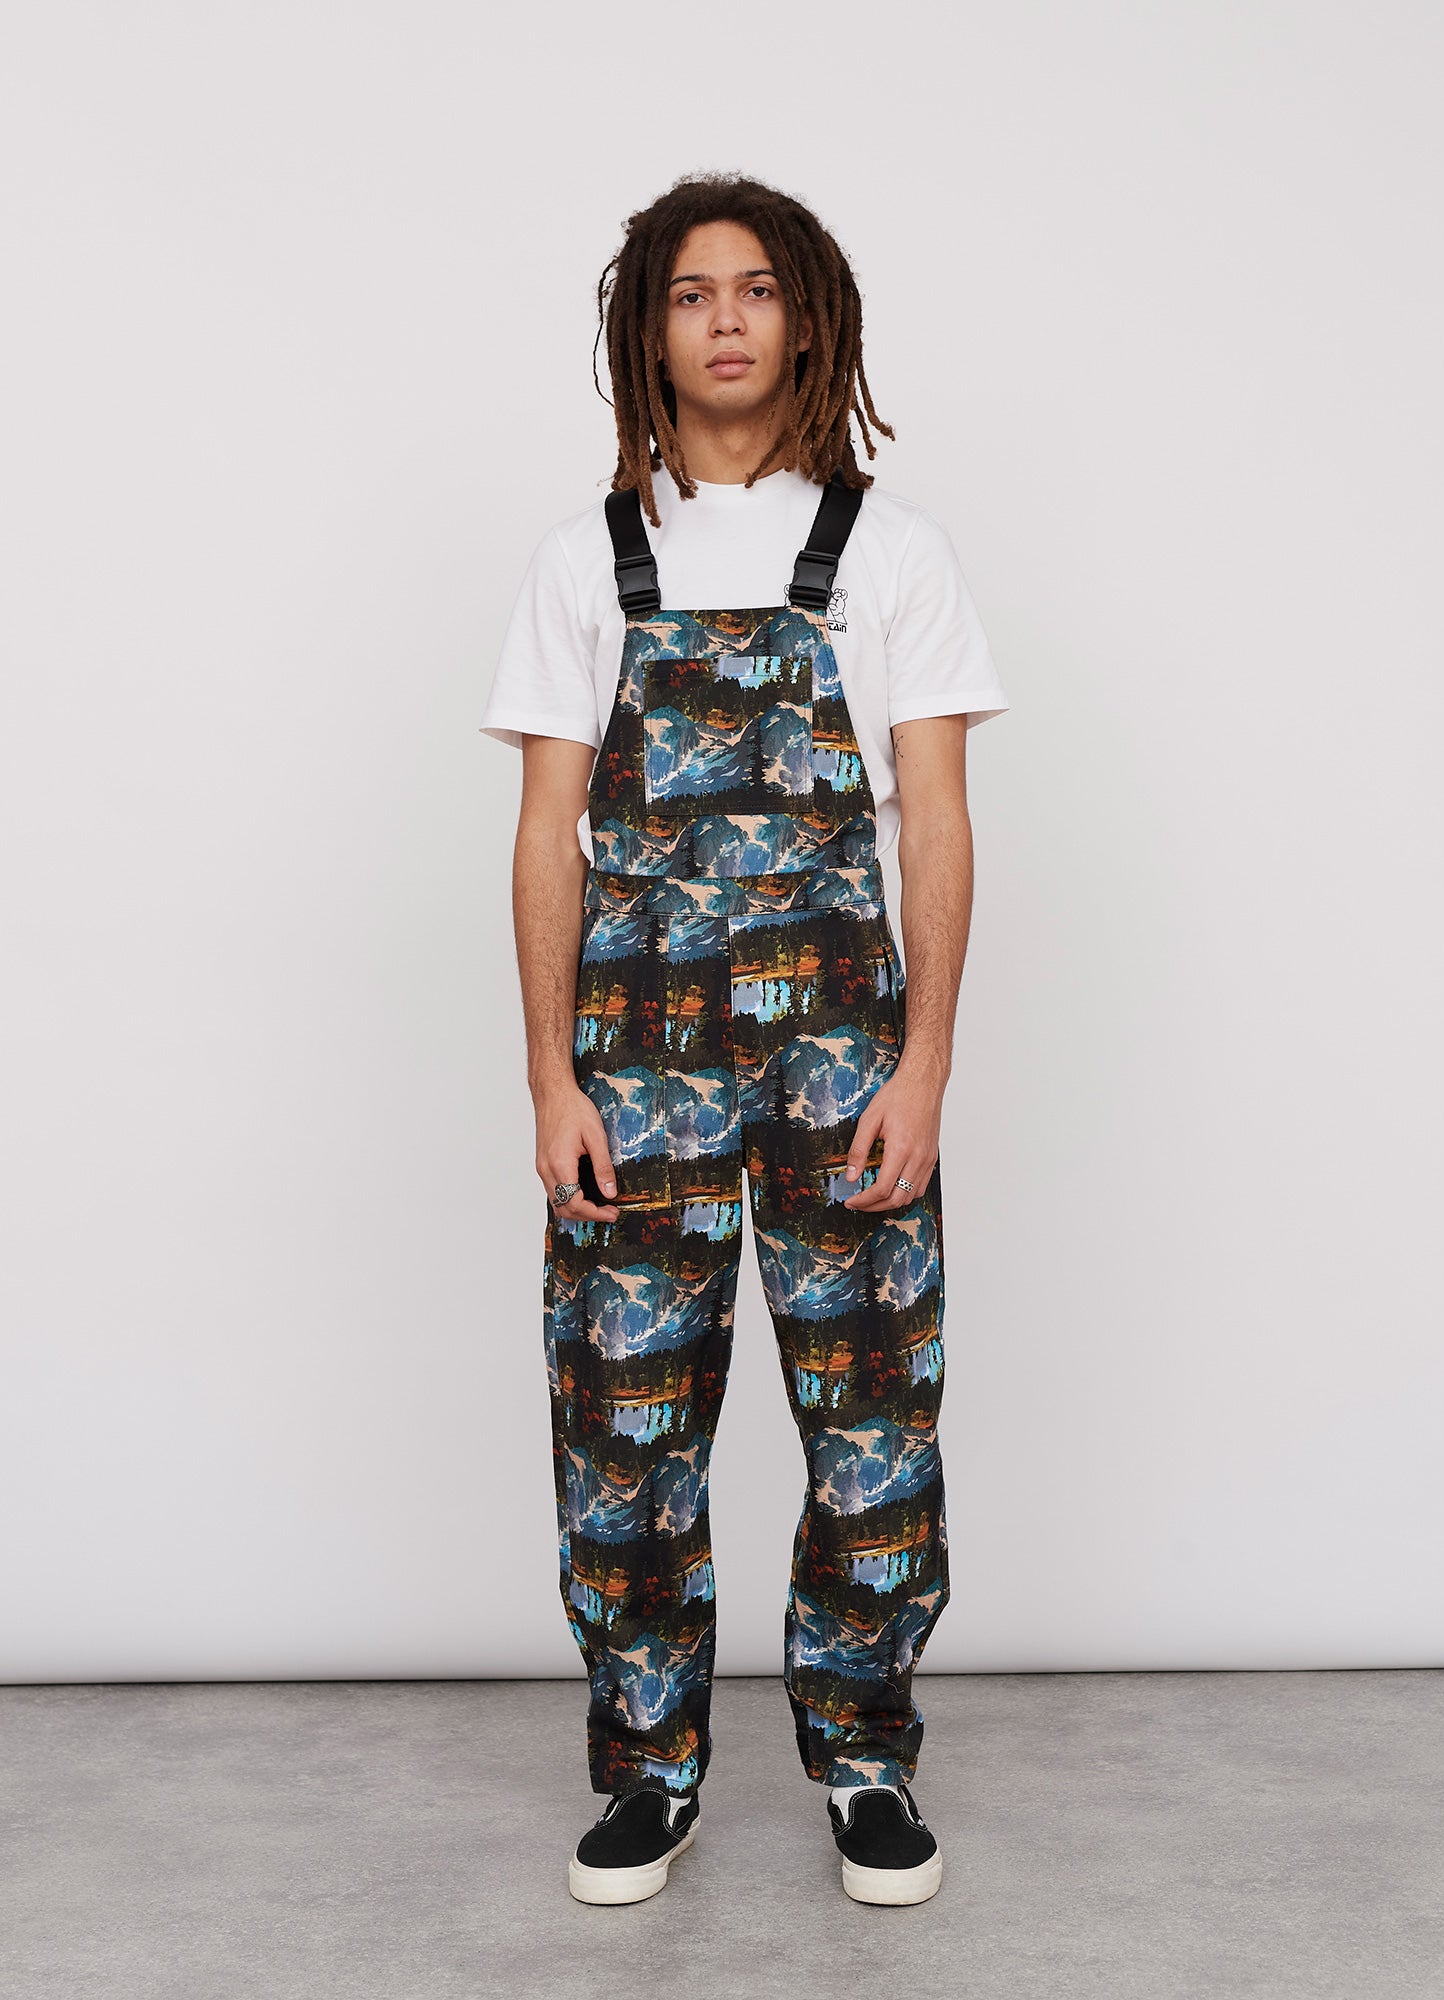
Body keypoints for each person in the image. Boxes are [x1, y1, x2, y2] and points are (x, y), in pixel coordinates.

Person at [479, 172, 1008, 1907]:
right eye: (691, 291)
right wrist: (550, 1077)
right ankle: (648, 1776)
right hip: (633, 1071)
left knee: (874, 1427)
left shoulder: (891, 552)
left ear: (808, 321)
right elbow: (546, 834)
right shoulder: (587, 559)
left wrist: (925, 1065)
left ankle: (866, 1762)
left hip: (844, 1063)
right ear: (650, 330)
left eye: (758, 289)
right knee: (625, 1438)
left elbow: (936, 823)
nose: (725, 318)